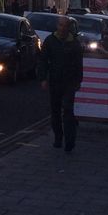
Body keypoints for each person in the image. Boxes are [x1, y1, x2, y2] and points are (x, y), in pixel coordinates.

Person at [39, 14, 84, 152]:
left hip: (69, 81)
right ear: (57, 26)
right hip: (55, 80)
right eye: (60, 25)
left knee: (68, 110)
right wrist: (43, 78)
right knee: (55, 111)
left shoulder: (74, 43)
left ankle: (69, 141)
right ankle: (58, 138)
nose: (63, 28)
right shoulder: (50, 40)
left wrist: (78, 81)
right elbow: (43, 60)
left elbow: (79, 64)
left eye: (65, 26)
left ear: (69, 27)